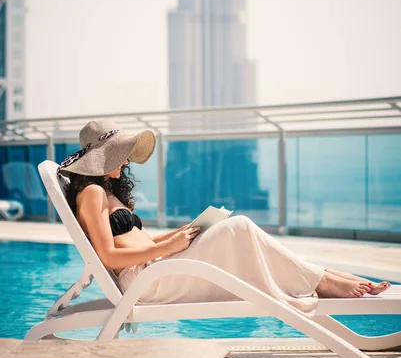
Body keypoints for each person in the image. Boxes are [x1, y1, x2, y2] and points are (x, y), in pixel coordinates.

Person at [60, 118, 390, 316]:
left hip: (155, 267)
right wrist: (169, 246)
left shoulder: (107, 189)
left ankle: (324, 278)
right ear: (100, 157)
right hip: (147, 282)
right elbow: (109, 255)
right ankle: (326, 280)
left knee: (235, 230)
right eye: (119, 154)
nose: (126, 161)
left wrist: (184, 232)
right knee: (240, 228)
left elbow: (141, 241)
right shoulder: (92, 193)